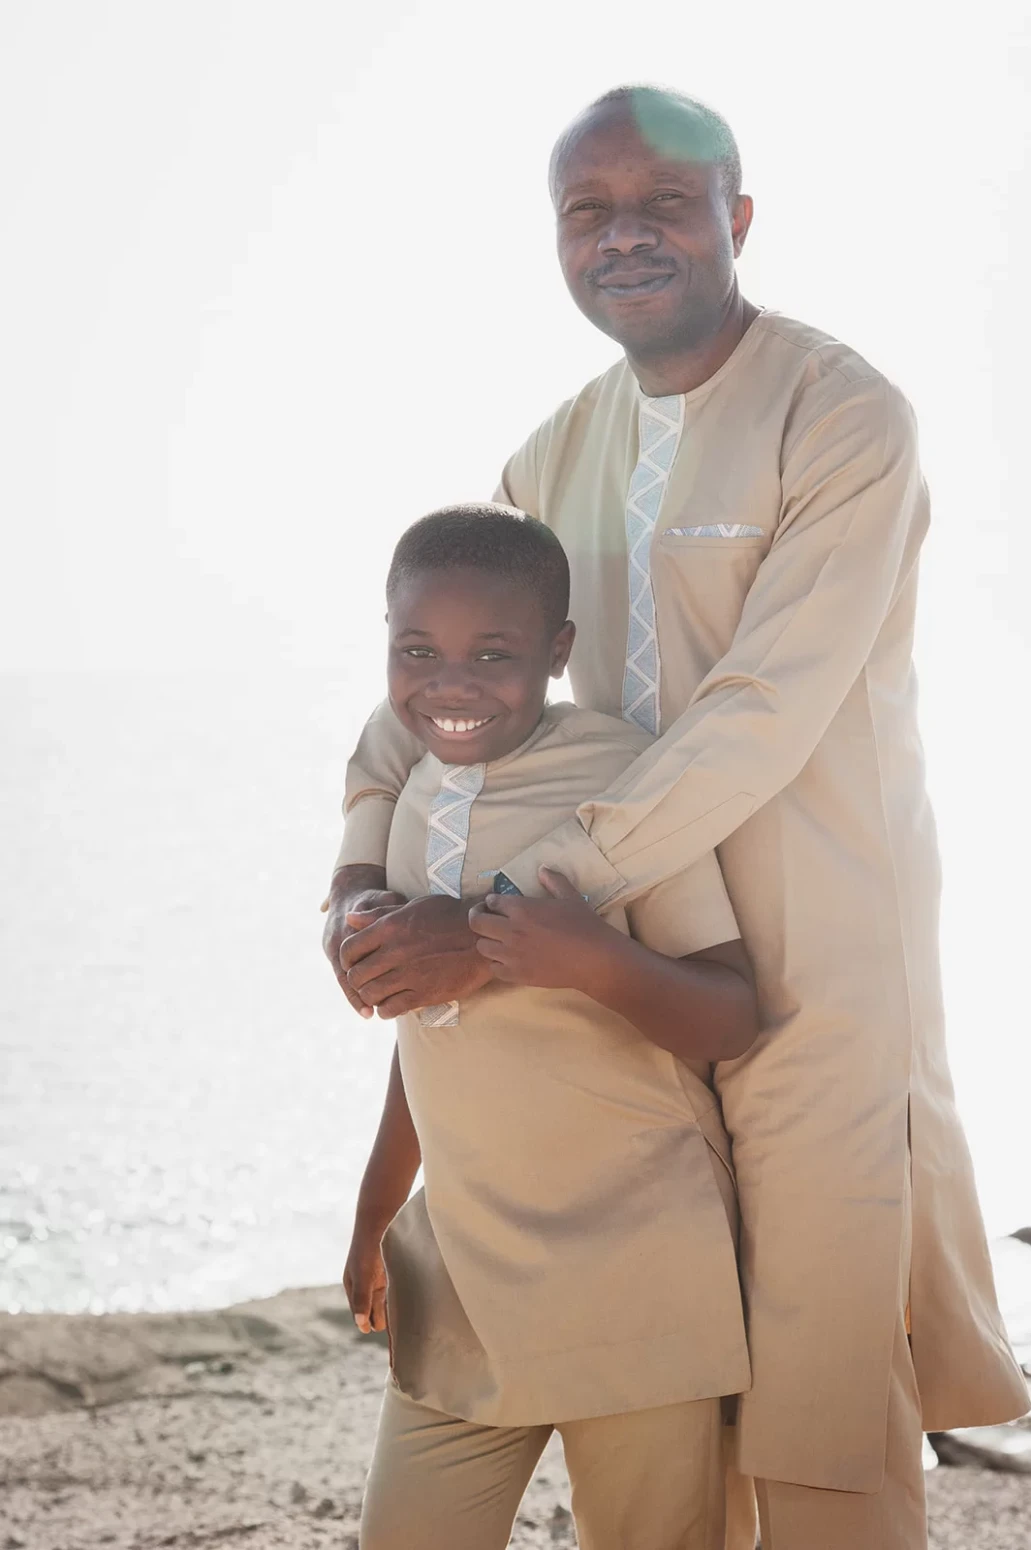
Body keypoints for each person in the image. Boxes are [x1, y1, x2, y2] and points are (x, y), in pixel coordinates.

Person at [324, 87, 1028, 1549]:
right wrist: (364, 893)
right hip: (598, 987)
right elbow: (448, 715)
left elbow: (760, 710)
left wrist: (508, 916)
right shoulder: (543, 460)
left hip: (812, 980)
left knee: (827, 1412)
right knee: (679, 1413)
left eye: (664, 206)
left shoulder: (844, 417)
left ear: (737, 221)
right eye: (591, 212)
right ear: (557, 239)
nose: (625, 238)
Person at [347, 503, 758, 1550]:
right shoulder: (411, 792)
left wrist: (597, 960)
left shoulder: (622, 775)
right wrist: (376, 1210)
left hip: (642, 1275)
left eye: (495, 652)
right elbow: (429, 1029)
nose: (452, 682)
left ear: (557, 650)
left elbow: (731, 1009)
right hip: (468, 1275)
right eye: (418, 650)